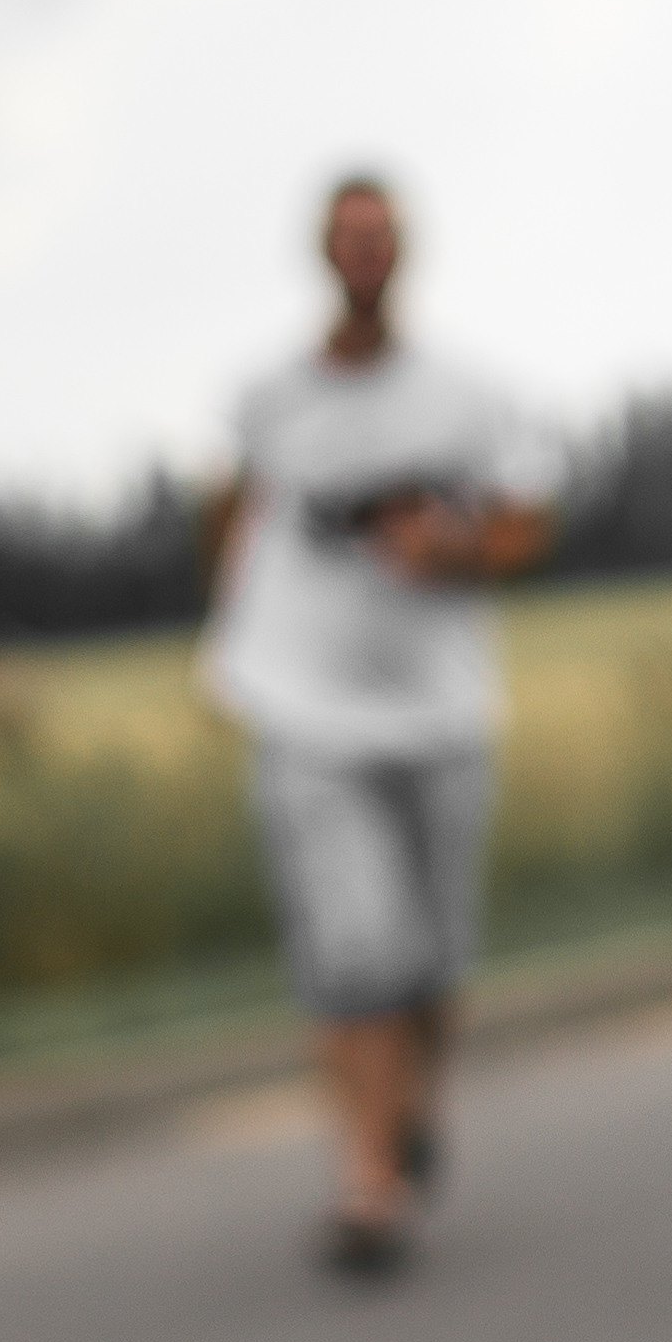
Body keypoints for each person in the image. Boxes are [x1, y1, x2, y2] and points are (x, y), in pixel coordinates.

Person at [201, 175, 559, 1278]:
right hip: (307, 712)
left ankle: (410, 1109)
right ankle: (368, 1184)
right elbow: (231, 512)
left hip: (438, 708)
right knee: (352, 951)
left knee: (433, 961)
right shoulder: (267, 395)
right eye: (346, 236)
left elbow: (525, 527)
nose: (363, 252)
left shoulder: (467, 394)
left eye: (380, 236)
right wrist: (238, 639)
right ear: (321, 251)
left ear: (404, 253)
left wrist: (447, 551)